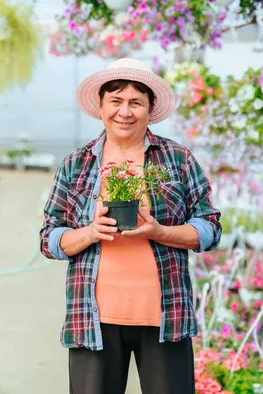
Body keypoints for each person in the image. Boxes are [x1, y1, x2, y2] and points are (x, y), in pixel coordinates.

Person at [39, 58, 222, 394]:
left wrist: (160, 232)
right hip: (93, 317)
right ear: (102, 106)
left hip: (165, 315)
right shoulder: (77, 163)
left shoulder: (177, 159)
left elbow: (210, 228)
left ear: (150, 109)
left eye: (136, 102)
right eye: (116, 101)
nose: (125, 112)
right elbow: (49, 239)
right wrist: (91, 232)